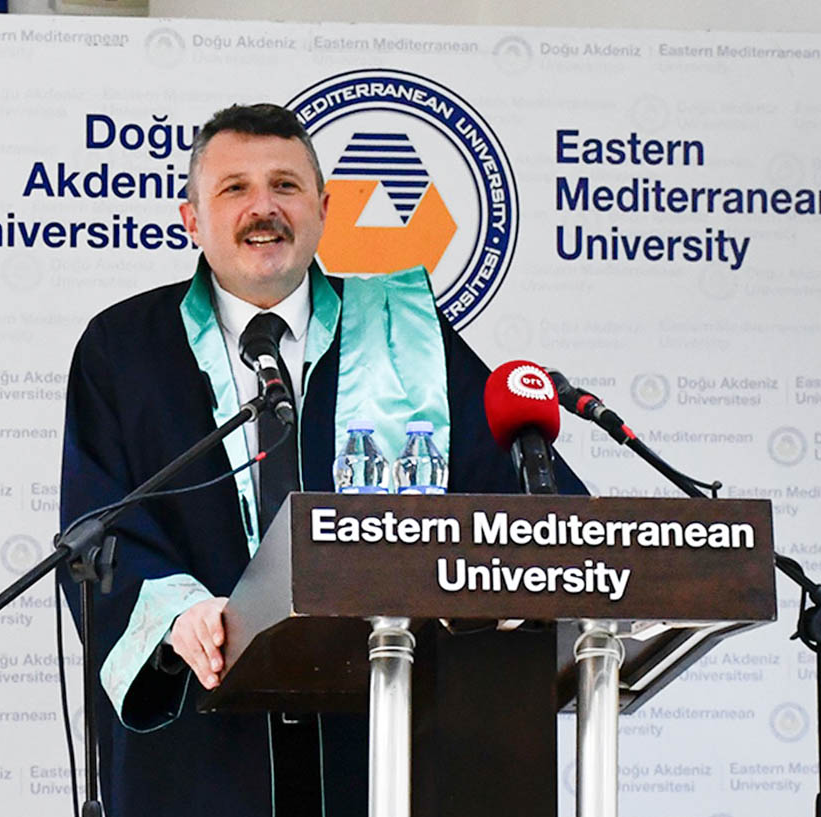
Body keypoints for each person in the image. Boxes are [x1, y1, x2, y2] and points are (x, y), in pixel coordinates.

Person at [59, 103, 582, 817]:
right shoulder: (124, 349)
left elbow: (522, 504)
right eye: (235, 188)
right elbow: (96, 529)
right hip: (208, 738)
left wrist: (523, 580)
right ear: (192, 220)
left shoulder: (405, 336)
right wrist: (175, 613)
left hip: (383, 733)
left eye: (286, 185)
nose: (263, 208)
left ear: (325, 210)